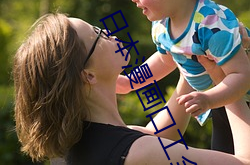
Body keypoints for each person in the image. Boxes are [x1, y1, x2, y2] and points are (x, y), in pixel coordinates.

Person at [13, 13, 250, 165]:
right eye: (98, 35)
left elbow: (160, 134)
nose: (109, 33)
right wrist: (226, 80)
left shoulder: (78, 147)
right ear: (88, 75)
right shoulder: (139, 153)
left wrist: (190, 52)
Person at [119, 0, 250, 154]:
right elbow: (165, 60)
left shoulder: (210, 24)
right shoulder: (162, 25)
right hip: (220, 105)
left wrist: (209, 99)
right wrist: (130, 82)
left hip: (239, 101)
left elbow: (242, 75)